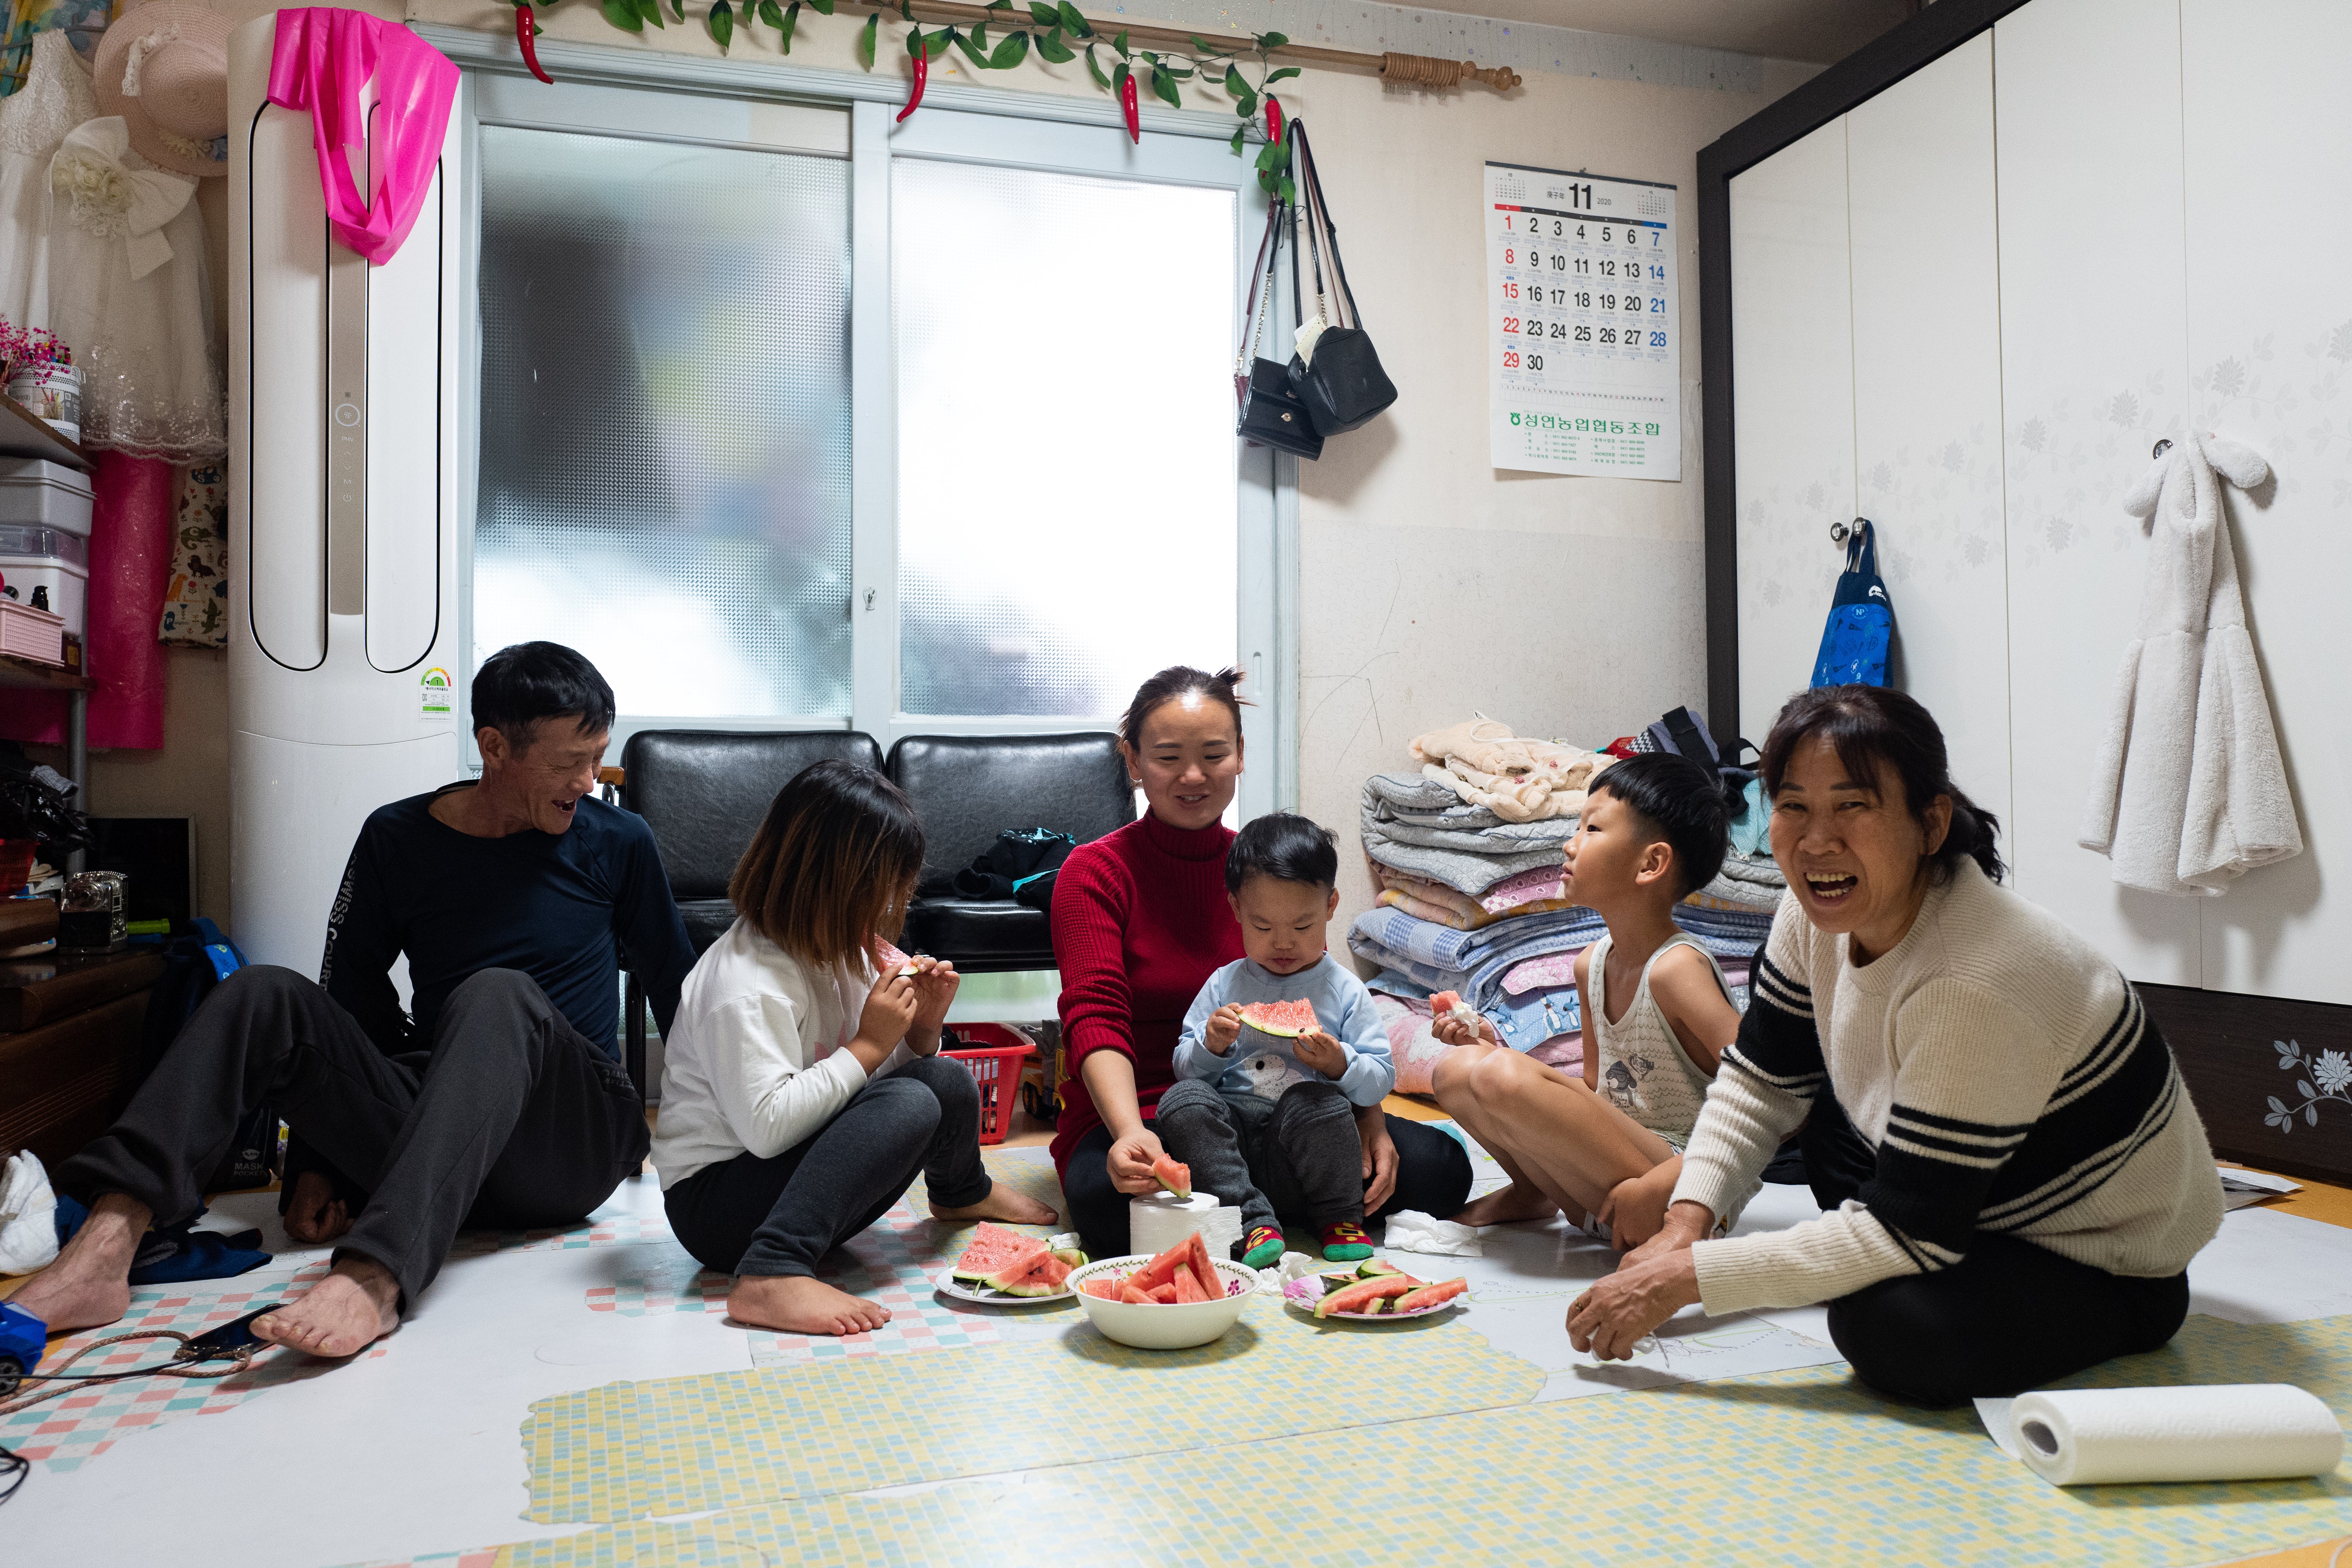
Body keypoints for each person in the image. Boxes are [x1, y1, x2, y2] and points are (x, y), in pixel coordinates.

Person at [16, 642, 696, 1357]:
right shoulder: (398, 838)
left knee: (497, 994)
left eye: (598, 757)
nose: (591, 781)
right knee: (264, 992)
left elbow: (681, 993)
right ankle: (104, 1246)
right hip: (437, 1132)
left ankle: (375, 1276)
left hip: (565, 1144)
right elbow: (351, 1001)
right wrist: (320, 1158)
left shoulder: (618, 842)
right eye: (571, 763)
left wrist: (723, 1152)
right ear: (494, 747)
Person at [1565, 686, 2225, 1405]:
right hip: (1981, 1200)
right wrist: (1686, 1224)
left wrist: (1685, 1278)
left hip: (2100, 1250)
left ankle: (2129, 1313)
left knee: (1891, 1330)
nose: (1818, 841)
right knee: (1832, 1163)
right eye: (1794, 807)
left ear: (1930, 823)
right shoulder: (1811, 907)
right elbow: (1761, 1081)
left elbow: (1910, 1235)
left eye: (1853, 805)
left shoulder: (1976, 976)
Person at [1050, 664, 1472, 1261]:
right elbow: (1094, 1017)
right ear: (1133, 761)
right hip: (1151, 1117)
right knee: (1104, 1210)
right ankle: (1277, 1201)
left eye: (1214, 754)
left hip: (1294, 1109)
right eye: (1168, 757)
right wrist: (1131, 1135)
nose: (1193, 776)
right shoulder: (1095, 873)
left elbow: (1330, 1005)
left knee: (1444, 1170)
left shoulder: (1267, 872)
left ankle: (1248, 1206)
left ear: (1241, 755)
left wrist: (1369, 1119)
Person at [653, 761, 1057, 1336]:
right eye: (887, 890)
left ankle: (962, 1191)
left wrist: (921, 1031)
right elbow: (768, 1127)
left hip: (787, 1179)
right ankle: (772, 1272)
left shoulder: (844, 950)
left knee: (944, 1082)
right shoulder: (743, 980)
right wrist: (871, 1042)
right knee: (910, 1103)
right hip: (717, 1207)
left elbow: (878, 1084)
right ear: (832, 884)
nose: (896, 906)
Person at [1431, 752, 1746, 1250]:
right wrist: (1494, 1046)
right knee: (1460, 1067)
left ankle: (1636, 1207)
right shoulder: (1592, 964)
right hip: (1612, 1192)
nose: (1569, 843)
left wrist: (1657, 1187)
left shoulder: (1677, 969)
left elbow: (1770, 1102)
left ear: (1652, 863)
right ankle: (1534, 1191)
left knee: (1500, 1073)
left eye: (1593, 829)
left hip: (1687, 1195)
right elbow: (1600, 1093)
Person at [1162, 812, 1397, 1267]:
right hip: (1234, 1157)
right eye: (1264, 927)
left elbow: (1380, 1081)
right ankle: (1252, 1222)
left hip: (1307, 1152)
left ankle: (1339, 1216)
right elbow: (1184, 1069)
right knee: (1183, 1100)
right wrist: (1210, 1047)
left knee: (1321, 1101)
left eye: (1303, 926)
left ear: (1331, 905)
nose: (1283, 943)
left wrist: (1340, 1065)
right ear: (1235, 909)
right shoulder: (1223, 983)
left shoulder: (1346, 989)